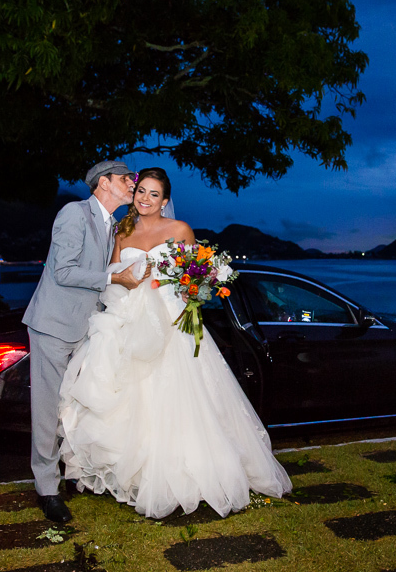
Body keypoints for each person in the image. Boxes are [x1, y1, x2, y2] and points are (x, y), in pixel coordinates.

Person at [58, 167, 292, 519]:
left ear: (165, 201)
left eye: (154, 194)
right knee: (125, 396)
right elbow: (111, 276)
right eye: (141, 192)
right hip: (127, 319)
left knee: (178, 396)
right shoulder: (122, 230)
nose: (145, 199)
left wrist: (193, 290)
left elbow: (193, 275)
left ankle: (185, 474)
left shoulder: (179, 230)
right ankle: (134, 475)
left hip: (170, 322)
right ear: (134, 195)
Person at [22, 160, 148, 524]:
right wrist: (116, 280)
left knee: (79, 406)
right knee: (46, 409)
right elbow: (63, 271)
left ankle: (76, 471)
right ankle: (47, 489)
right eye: (127, 179)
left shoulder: (112, 225)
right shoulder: (74, 213)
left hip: (87, 327)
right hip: (54, 325)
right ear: (104, 183)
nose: (132, 185)